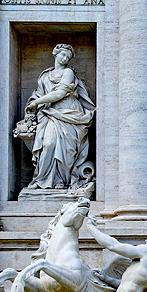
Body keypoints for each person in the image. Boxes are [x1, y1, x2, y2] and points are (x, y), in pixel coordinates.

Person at [22, 44, 95, 190]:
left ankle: (61, 181)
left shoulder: (68, 72)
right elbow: (39, 93)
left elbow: (60, 94)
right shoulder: (45, 75)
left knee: (64, 148)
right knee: (48, 143)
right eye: (63, 55)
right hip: (50, 114)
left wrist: (37, 102)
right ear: (55, 53)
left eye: (68, 57)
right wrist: (34, 103)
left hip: (69, 113)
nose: (65, 58)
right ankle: (42, 179)